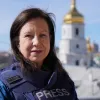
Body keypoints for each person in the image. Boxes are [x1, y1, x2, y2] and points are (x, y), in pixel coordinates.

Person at [0, 8, 78, 100]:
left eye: (42, 35)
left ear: (50, 40)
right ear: (17, 43)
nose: (36, 42)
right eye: (28, 35)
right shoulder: (4, 84)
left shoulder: (64, 80)